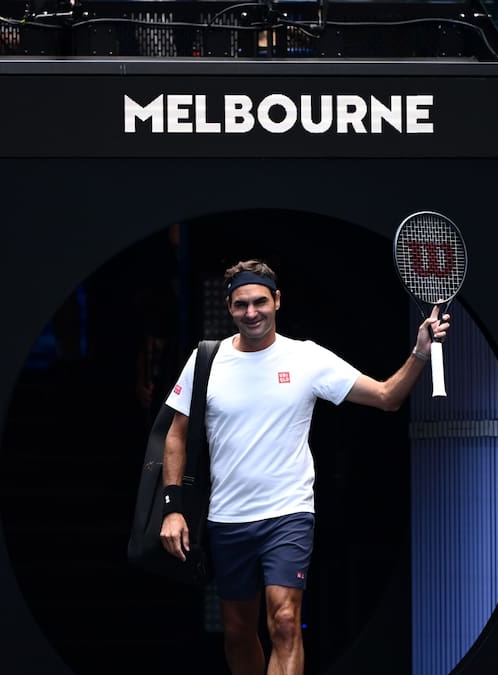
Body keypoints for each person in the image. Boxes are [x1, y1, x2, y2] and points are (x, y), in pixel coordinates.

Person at [159, 259, 450, 675]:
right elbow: (175, 434)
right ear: (229, 307)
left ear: (277, 301)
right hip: (226, 517)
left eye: (260, 302)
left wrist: (420, 351)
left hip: (288, 514)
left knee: (284, 620)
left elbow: (387, 396)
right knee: (238, 631)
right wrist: (172, 507)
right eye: (241, 304)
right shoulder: (206, 360)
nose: (251, 312)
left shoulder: (306, 358)